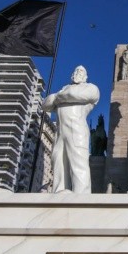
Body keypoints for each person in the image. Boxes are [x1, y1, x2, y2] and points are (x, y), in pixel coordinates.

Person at [42, 65, 100, 193]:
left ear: (85, 76)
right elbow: (46, 104)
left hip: (77, 129)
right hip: (60, 131)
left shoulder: (91, 88)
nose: (78, 73)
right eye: (76, 71)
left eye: (81, 71)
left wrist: (58, 97)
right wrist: (61, 96)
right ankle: (59, 192)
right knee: (58, 162)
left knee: (78, 162)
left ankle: (82, 196)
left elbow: (76, 95)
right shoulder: (64, 89)